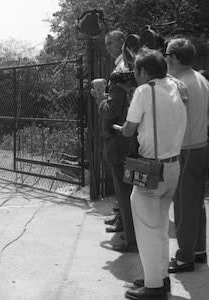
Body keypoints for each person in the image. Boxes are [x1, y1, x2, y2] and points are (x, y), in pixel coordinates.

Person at [118, 48, 187, 300]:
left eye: (136, 70)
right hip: (173, 166)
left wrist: (121, 126)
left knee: (147, 229)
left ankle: (154, 287)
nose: (135, 75)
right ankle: (159, 277)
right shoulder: (177, 87)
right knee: (159, 227)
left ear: (145, 71)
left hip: (151, 169)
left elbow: (128, 130)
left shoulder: (144, 91)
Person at [164, 38, 209, 273]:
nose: (165, 58)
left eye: (167, 54)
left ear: (174, 58)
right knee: (195, 203)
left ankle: (184, 257)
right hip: (200, 146)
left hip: (186, 149)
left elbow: (172, 119)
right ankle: (199, 250)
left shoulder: (179, 83)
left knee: (183, 206)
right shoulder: (199, 78)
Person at [93, 30, 137, 252]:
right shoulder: (128, 66)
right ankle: (126, 228)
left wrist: (100, 97)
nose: (108, 46)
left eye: (112, 42)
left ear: (123, 42)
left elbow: (112, 110)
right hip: (127, 137)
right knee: (125, 190)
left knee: (124, 189)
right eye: (106, 43)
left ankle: (131, 238)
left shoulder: (121, 70)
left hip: (118, 138)